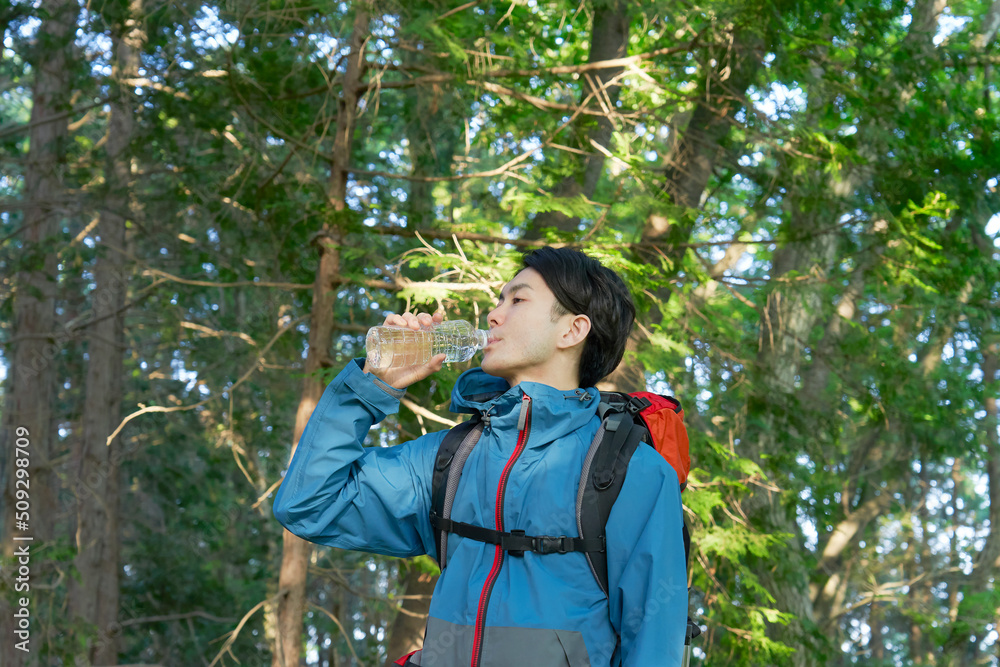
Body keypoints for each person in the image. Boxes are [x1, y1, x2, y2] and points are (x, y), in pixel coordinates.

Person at [273, 246, 687, 666]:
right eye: (498, 299)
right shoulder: (449, 459)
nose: (493, 314)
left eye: (518, 300)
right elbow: (308, 504)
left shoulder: (629, 471)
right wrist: (371, 388)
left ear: (572, 330)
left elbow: (654, 645)